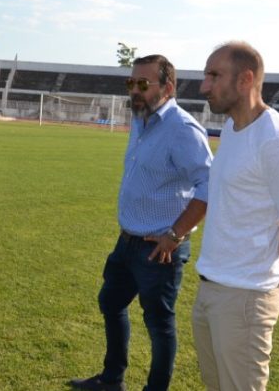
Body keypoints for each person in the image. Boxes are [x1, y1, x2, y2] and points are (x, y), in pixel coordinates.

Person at [71, 55, 213, 391]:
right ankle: (112, 379)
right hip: (128, 240)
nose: (134, 90)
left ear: (168, 87)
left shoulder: (182, 129)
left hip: (159, 248)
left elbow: (209, 185)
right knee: (111, 302)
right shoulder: (141, 119)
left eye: (143, 84)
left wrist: (175, 234)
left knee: (159, 324)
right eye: (130, 83)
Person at [193, 41, 279, 391]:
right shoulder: (233, 129)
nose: (204, 86)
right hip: (212, 287)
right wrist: (278, 254)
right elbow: (247, 209)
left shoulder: (275, 140)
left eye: (214, 76)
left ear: (245, 79)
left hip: (245, 298)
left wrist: (271, 254)